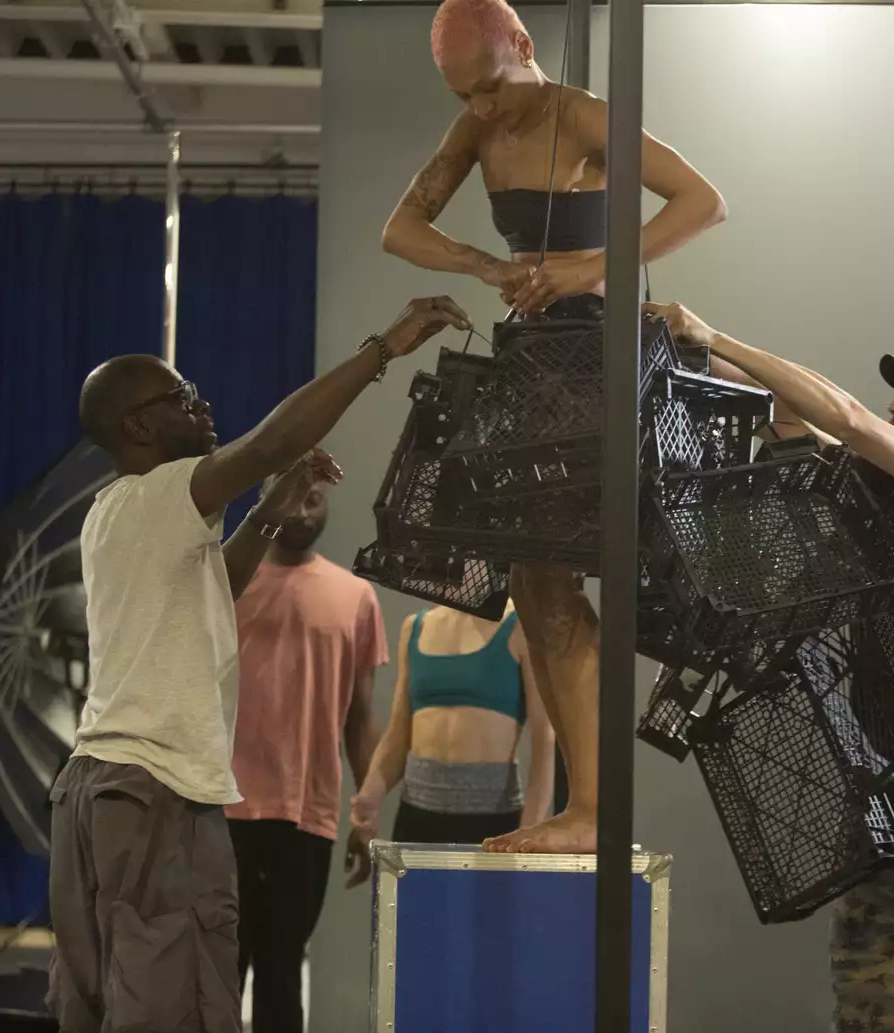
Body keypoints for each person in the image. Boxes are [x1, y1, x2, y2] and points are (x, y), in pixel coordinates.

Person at [45, 294, 470, 1033]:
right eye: (179, 396)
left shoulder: (125, 514)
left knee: (163, 1000)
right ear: (138, 427)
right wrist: (383, 349)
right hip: (150, 792)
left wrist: (275, 504)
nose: (199, 402)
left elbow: (221, 580)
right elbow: (267, 443)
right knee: (166, 1009)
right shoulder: (156, 493)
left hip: (132, 790)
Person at [380, 0, 728, 853]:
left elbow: (705, 200)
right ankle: (591, 807)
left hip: (604, 361)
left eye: (491, 88)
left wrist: (591, 265)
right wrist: (486, 263)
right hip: (535, 368)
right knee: (537, 588)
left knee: (615, 575)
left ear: (525, 49)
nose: (484, 110)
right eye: (465, 95)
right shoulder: (475, 126)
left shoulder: (584, 117)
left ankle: (597, 803)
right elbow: (400, 229)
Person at [642, 300, 894, 1033]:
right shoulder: (881, 496)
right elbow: (794, 416)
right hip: (882, 810)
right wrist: (681, 345)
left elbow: (849, 415)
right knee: (867, 1012)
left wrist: (713, 332)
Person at [224, 473, 387, 1033]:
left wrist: (365, 816)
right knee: (220, 969)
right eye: (293, 493)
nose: (304, 507)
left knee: (283, 969)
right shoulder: (226, 584)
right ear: (268, 495)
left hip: (307, 816)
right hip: (223, 809)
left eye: (314, 496)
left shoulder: (356, 597)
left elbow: (360, 718)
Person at [347, 601, 556, 863]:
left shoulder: (522, 626)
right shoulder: (415, 627)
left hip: (493, 822)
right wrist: (369, 799)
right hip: (417, 818)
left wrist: (528, 835)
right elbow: (398, 735)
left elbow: (544, 740)